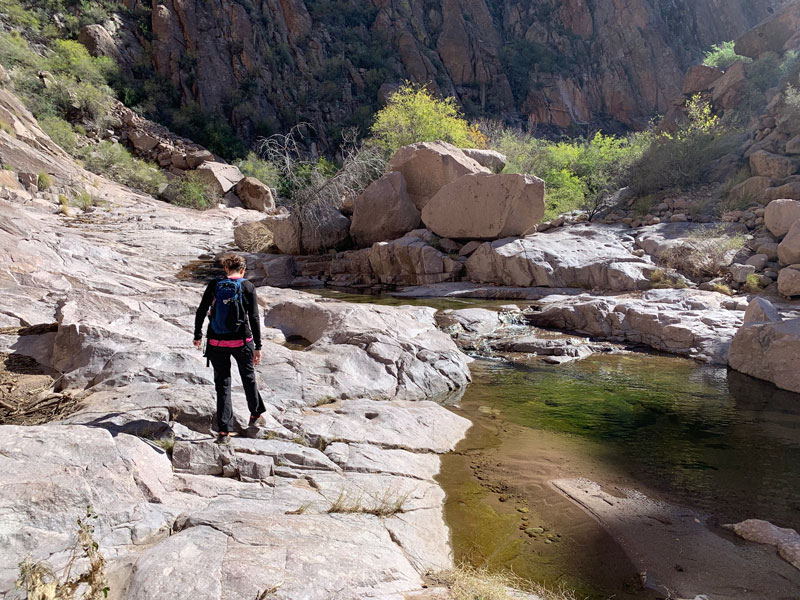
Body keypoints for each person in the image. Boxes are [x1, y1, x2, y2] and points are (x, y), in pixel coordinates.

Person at [193, 253, 266, 444]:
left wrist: (198, 335)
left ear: (226, 269)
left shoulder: (215, 284)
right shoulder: (247, 286)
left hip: (217, 343)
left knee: (222, 385)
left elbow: (201, 310)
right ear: (243, 270)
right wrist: (258, 346)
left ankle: (224, 431)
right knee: (248, 377)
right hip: (242, 342)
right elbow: (255, 318)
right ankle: (255, 415)